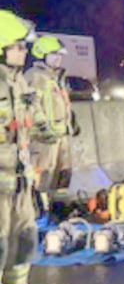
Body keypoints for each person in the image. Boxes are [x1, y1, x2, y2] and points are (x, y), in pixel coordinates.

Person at [0, 10, 49, 284]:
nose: (24, 51)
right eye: (18, 46)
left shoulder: (19, 82)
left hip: (19, 180)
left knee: (24, 241)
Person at [25, 36, 78, 216]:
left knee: (63, 174)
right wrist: (42, 127)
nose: (58, 58)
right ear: (42, 55)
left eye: (60, 55)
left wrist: (73, 121)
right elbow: (32, 105)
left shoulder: (57, 78)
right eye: (54, 55)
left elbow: (62, 103)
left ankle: (59, 211)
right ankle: (39, 213)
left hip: (61, 136)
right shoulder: (35, 77)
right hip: (43, 139)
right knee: (43, 177)